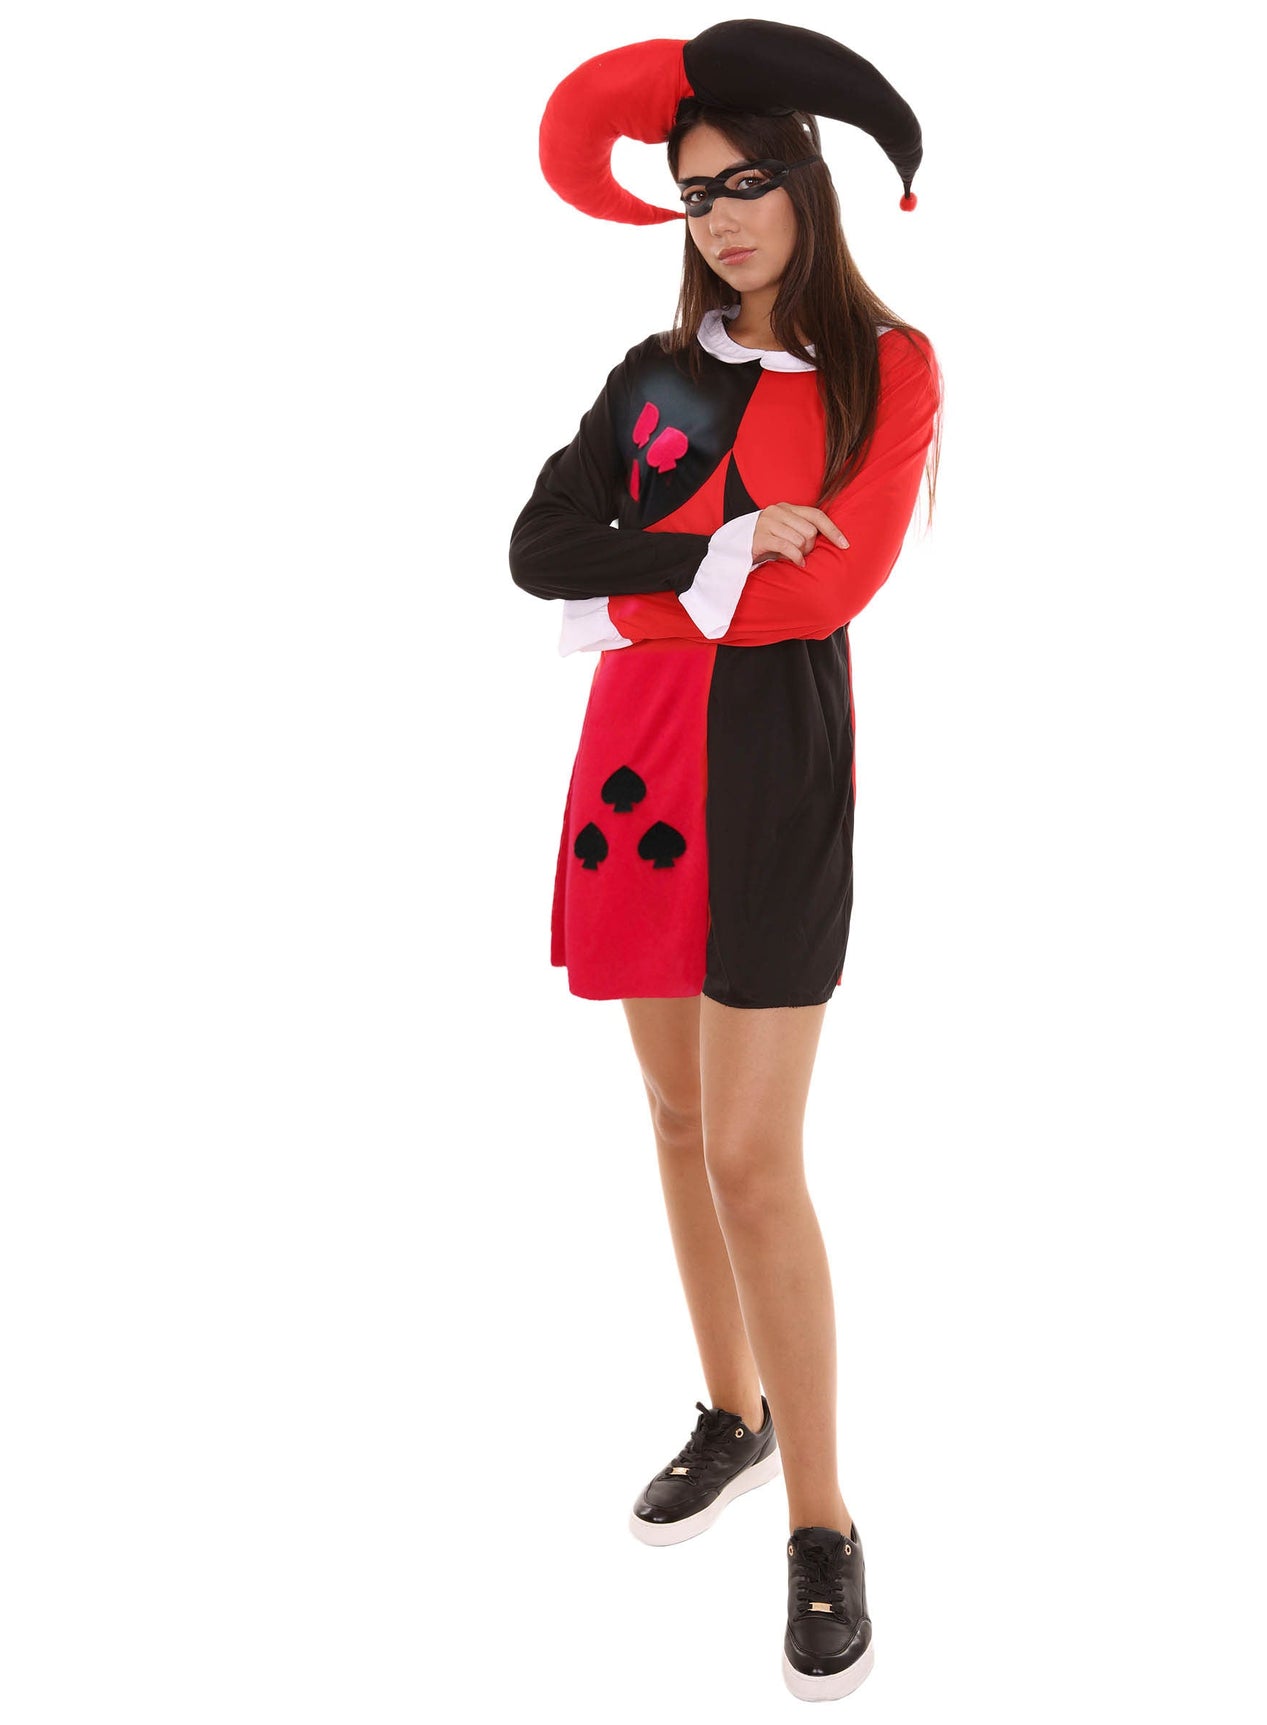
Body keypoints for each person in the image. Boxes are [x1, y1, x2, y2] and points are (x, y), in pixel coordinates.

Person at [508, 20, 942, 1703]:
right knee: (679, 1119)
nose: (726, 216)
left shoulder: (887, 369)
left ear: (805, 186)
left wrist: (643, 586)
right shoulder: (657, 375)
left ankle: (820, 1520)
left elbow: (832, 591)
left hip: (772, 764)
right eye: (697, 192)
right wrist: (717, 545)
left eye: (750, 181)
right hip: (637, 760)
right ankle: (731, 1410)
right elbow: (536, 546)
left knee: (756, 1153)